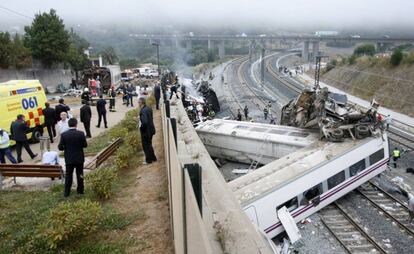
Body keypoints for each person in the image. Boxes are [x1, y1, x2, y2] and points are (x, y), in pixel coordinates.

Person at [58, 118, 87, 197]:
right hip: (79, 157)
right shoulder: (81, 133)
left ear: (68, 125)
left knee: (68, 175)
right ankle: (80, 191)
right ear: (76, 124)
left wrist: (66, 147)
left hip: (69, 158)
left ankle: (67, 192)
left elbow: (60, 147)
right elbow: (85, 145)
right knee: (80, 174)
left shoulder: (64, 135)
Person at [138, 97, 157, 164]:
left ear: (141, 103)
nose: (138, 104)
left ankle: (148, 160)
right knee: (149, 144)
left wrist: (141, 127)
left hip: (146, 131)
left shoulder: (143, 111)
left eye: (138, 102)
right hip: (151, 130)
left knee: (146, 146)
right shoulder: (148, 108)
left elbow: (145, 122)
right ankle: (153, 158)